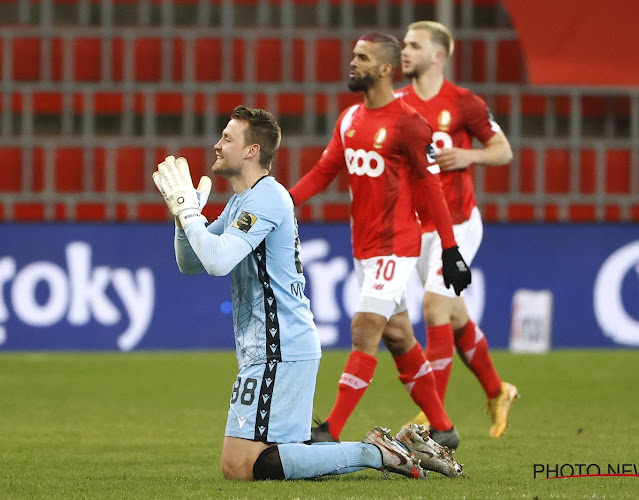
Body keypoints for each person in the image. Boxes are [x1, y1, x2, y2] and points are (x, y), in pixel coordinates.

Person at [153, 105, 463, 481]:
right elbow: (193, 262)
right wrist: (184, 220)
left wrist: (190, 215)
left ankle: (378, 451)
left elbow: (218, 261)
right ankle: (391, 448)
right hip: (275, 347)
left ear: (252, 151)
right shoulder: (242, 201)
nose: (216, 146)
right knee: (268, 460)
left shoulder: (267, 198)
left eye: (227, 138)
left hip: (278, 348)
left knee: (239, 466)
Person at [289, 33, 472, 451]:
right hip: (363, 248)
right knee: (398, 335)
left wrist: (450, 248)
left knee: (364, 327)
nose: (352, 63)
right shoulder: (350, 119)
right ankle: (443, 427)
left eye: (362, 57)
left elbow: (430, 189)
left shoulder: (409, 123)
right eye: (353, 54)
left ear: (386, 69)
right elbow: (323, 172)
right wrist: (283, 201)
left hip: (396, 246)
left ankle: (329, 431)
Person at [396, 20, 518, 443]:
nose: (404, 52)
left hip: (460, 225)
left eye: (413, 45)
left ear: (438, 55)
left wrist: (467, 155)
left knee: (433, 307)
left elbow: (503, 151)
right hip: (418, 227)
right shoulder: (398, 105)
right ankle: (498, 390)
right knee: (453, 314)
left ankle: (433, 419)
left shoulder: (464, 103)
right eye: (404, 44)